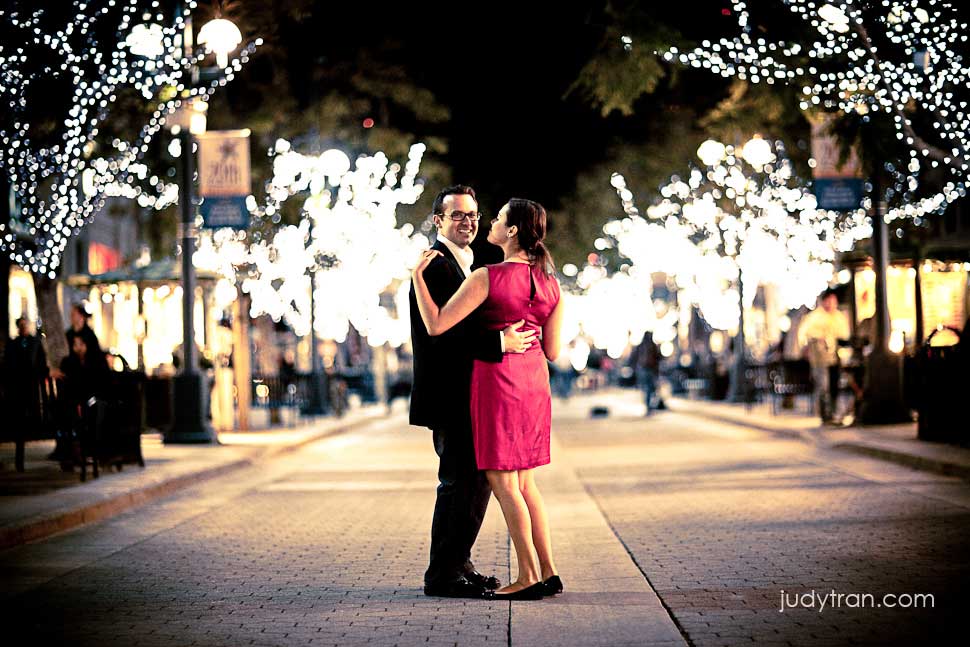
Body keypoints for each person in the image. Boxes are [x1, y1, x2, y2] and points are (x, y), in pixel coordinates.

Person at [412, 197, 564, 601]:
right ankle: (548, 570)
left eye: (493, 218)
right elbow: (553, 351)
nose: (484, 223)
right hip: (534, 383)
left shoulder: (488, 275)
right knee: (526, 484)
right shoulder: (550, 281)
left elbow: (438, 323)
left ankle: (529, 573)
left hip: (497, 385)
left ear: (512, 230)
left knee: (501, 482)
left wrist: (416, 280)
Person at [797, 287, 850, 424]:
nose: (832, 304)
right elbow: (804, 335)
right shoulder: (814, 317)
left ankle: (835, 412)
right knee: (823, 386)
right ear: (824, 301)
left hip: (836, 357)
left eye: (834, 301)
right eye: (830, 301)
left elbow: (844, 335)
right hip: (820, 358)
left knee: (835, 385)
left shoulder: (838, 317)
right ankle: (825, 414)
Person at [3, 317, 50, 467]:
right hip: (18, 387)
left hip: (30, 385)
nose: (23, 328)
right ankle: (19, 456)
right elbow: (8, 364)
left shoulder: (35, 342)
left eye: (25, 325)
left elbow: (40, 363)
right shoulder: (14, 344)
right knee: (19, 422)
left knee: (29, 417)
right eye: (21, 325)